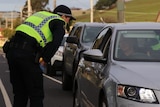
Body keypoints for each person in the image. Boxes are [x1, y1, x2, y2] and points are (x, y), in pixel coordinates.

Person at [4, 5, 76, 107]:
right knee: (36, 94)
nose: (68, 21)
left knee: (20, 93)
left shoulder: (39, 14)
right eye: (68, 18)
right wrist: (45, 59)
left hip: (12, 51)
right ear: (63, 16)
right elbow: (55, 43)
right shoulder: (59, 22)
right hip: (27, 55)